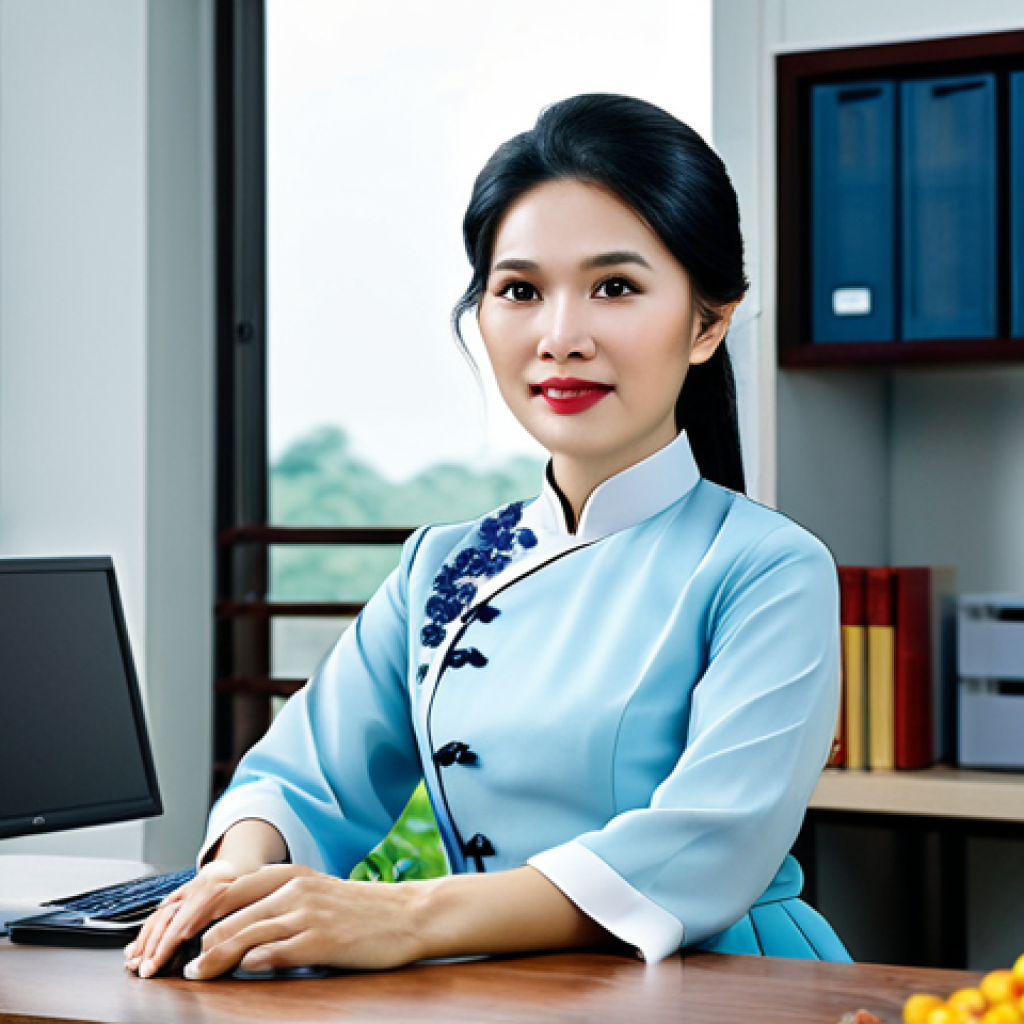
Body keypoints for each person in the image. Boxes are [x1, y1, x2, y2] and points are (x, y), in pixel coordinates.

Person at [126, 93, 850, 981]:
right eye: (520, 291)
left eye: (615, 287)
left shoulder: (769, 570)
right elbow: (302, 774)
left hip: (724, 988)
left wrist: (404, 915)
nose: (561, 337)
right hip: (494, 987)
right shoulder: (439, 565)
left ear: (708, 321)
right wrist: (238, 879)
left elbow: (706, 846)